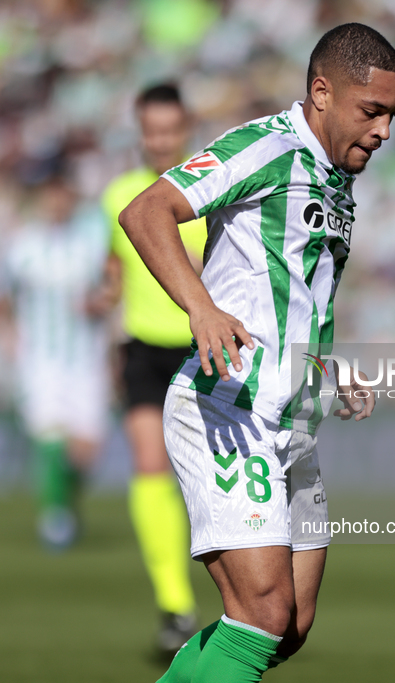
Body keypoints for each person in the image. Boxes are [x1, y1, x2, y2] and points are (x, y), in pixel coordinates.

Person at [61, 23, 395, 683]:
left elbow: (289, 288)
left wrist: (332, 369)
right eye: (372, 111)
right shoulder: (265, 146)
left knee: (285, 628)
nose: (383, 132)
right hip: (224, 411)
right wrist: (198, 311)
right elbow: (147, 212)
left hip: (290, 417)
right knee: (259, 612)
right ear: (322, 91)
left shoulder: (336, 177)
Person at [101, 84, 208, 653]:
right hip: (143, 348)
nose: (162, 140)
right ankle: (175, 603)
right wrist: (103, 296)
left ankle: (246, 604)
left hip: (202, 348)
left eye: (171, 129)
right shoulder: (119, 194)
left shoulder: (208, 193)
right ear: (140, 130)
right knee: (148, 463)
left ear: (186, 128)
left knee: (210, 480)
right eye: (152, 130)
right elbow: (114, 269)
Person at [1, 168, 111, 548]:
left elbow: (112, 289)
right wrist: (11, 336)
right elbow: (6, 296)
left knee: (85, 450)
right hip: (40, 358)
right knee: (49, 433)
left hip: (86, 357)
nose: (56, 202)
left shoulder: (91, 241)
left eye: (62, 194)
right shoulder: (23, 244)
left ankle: (65, 501)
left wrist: (99, 303)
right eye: (50, 195)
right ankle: (56, 520)